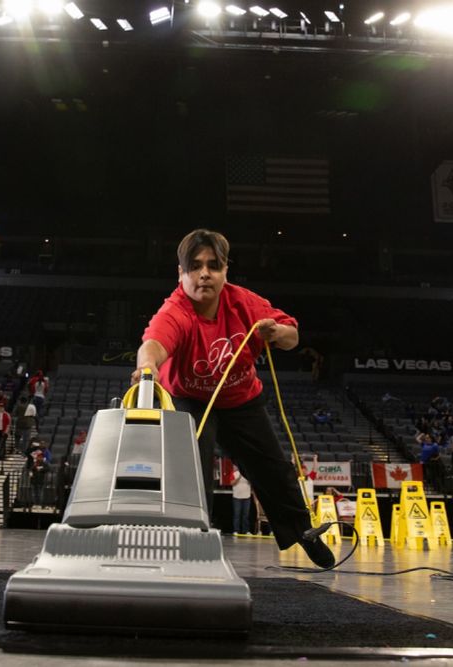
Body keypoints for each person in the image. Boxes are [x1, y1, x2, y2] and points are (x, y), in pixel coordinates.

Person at [133, 228, 334, 568]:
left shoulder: (244, 302)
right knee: (193, 463)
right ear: (181, 273)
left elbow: (293, 337)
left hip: (241, 399)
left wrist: (276, 332)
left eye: (214, 265)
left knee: (274, 468)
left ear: (226, 270)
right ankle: (191, 537)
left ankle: (302, 532)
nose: (205, 274)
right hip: (190, 398)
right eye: (195, 266)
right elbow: (153, 344)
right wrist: (147, 368)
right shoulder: (176, 311)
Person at [231, 466, 252, 535]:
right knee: (237, 515)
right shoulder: (234, 473)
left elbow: (251, 483)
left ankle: (246, 531)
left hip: (247, 496)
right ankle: (236, 530)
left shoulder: (247, 474)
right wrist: (239, 477)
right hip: (237, 497)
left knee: (246, 515)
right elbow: (232, 483)